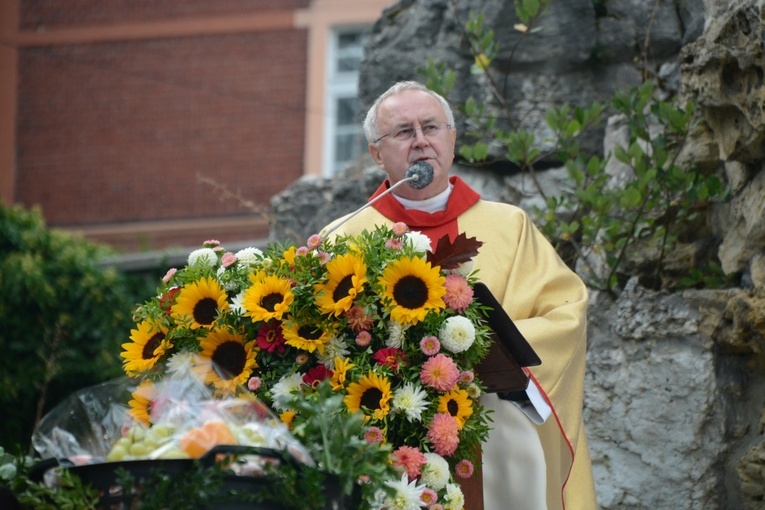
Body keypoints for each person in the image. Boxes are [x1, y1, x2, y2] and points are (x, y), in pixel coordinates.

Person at [322, 80, 597, 510]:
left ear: (451, 139)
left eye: (431, 127)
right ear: (377, 154)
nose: (420, 142)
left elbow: (566, 315)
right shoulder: (343, 237)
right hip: (385, 433)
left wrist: (479, 349)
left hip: (494, 427)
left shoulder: (509, 227)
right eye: (403, 132)